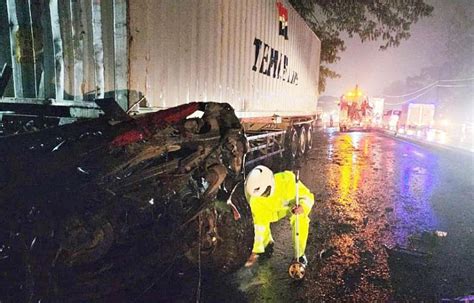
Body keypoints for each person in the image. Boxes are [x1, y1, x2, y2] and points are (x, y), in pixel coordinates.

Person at [244, 165, 314, 267]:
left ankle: (299, 255)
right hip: (271, 212)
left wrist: (303, 206)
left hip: (291, 208)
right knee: (259, 220)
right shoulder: (255, 200)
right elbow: (259, 225)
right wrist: (255, 250)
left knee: (300, 218)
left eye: (265, 193)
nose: (263, 197)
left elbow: (307, 196)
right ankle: (267, 244)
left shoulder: (288, 181)